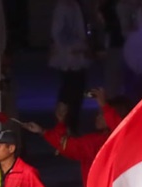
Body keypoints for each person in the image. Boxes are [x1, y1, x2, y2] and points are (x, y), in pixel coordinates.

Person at [22, 87, 127, 186]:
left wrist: (105, 105)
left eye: (102, 113)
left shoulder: (100, 142)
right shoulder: (98, 140)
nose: (97, 117)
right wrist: (45, 130)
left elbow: (120, 131)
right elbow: (69, 146)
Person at [49, 0, 92, 134]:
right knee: (70, 93)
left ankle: (71, 126)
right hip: (69, 58)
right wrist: (76, 47)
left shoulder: (76, 5)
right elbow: (58, 34)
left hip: (77, 56)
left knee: (76, 93)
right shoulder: (64, 7)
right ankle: (65, 126)